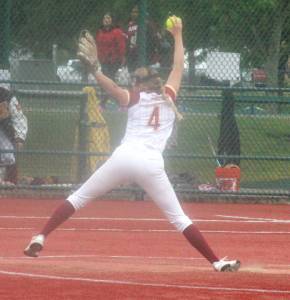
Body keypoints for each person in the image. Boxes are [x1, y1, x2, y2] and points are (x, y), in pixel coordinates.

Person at [24, 17, 240, 272]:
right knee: (179, 218)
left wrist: (95, 70)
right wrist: (178, 34)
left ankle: (41, 236)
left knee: (79, 197)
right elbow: (179, 65)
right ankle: (216, 262)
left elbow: (113, 88)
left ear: (139, 84)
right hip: (150, 163)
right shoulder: (169, 96)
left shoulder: (134, 98)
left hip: (124, 157)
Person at [0, 86, 28, 184]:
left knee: (8, 157)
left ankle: (9, 183)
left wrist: (20, 137)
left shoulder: (6, 95)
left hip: (3, 131)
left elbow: (19, 118)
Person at [217, 90, 240, 167]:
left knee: (227, 137)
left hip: (228, 120)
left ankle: (227, 158)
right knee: (226, 137)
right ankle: (226, 158)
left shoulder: (228, 102)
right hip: (227, 118)